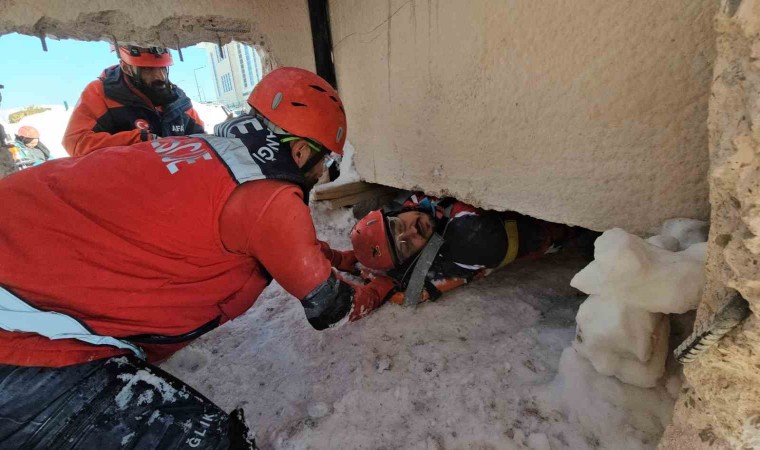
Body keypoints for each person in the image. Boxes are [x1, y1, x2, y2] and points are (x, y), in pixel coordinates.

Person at [0, 67, 397, 448]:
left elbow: (284, 244)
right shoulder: (270, 199)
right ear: (298, 152)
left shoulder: (202, 147)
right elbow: (333, 306)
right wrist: (382, 286)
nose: (323, 175)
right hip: (18, 327)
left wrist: (344, 258)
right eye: (326, 163)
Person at [351, 192, 589, 304]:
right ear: (415, 257)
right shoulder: (470, 240)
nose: (413, 231)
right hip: (567, 223)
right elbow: (412, 293)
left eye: (398, 225)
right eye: (405, 245)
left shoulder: (418, 210)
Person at [62, 45, 205, 157]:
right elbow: (75, 142)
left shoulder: (178, 101)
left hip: (173, 185)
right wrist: (139, 141)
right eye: (148, 69)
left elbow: (203, 141)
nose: (159, 77)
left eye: (162, 68)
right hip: (125, 186)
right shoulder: (101, 93)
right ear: (127, 68)